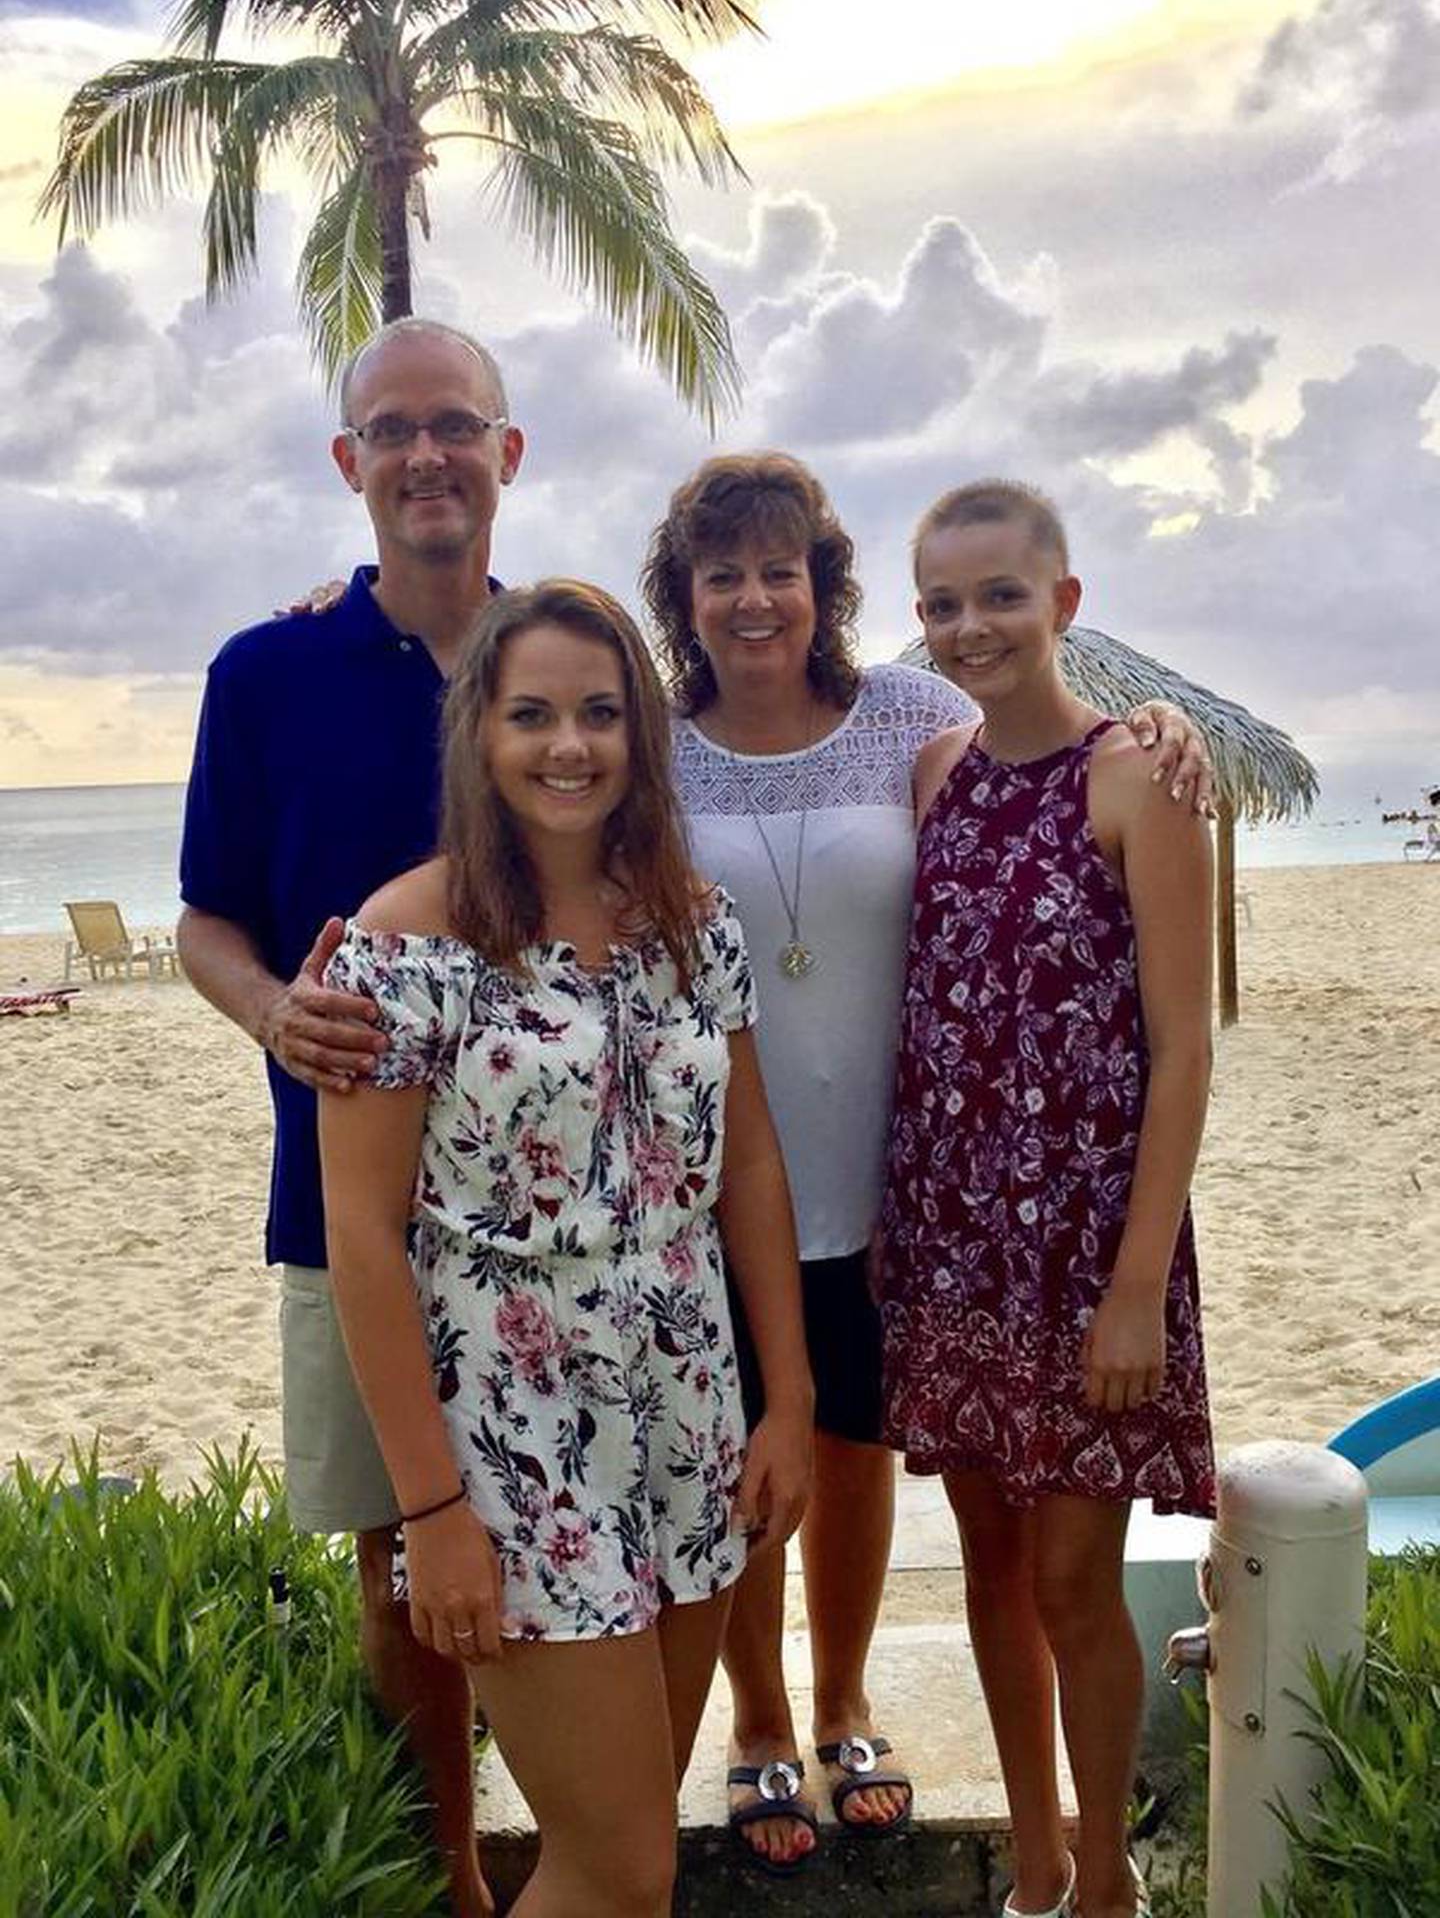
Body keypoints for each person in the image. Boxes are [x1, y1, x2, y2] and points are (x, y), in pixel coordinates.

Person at [639, 453, 1215, 1873]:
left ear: (828, 588)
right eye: (725, 573)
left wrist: (1165, 719)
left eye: (784, 569)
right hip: (757, 1190)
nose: (757, 597)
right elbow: (525, 804)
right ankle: (762, 1726)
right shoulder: (652, 743)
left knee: (856, 1463)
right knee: (752, 1470)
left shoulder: (914, 717)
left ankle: (848, 1711)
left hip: (944, 1207)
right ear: (687, 597)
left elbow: (1057, 758)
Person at [317, 580, 812, 1918]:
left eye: (599, 713)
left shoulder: (692, 921)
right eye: (531, 713)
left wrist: (792, 1399)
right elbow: (362, 1238)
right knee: (617, 1872)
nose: (568, 745)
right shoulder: (402, 945)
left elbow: (750, 1165)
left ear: (639, 736)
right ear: (479, 733)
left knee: (634, 1843)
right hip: (515, 1449)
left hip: (694, 1413)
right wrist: (432, 1514)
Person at [177, 317, 523, 1916]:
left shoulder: (572, 662)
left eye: (457, 424)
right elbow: (208, 921)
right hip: (348, 1205)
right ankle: (451, 1876)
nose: (427, 454)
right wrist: (269, 1009)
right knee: (398, 1556)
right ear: (350, 464)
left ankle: (599, 1842)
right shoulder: (264, 672)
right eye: (393, 430)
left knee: (589, 1524)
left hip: (564, 1208)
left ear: (508, 453)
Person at [878, 481, 1217, 1918]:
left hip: (1089, 1252)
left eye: (1002, 596)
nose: (972, 627)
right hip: (952, 1241)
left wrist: (1139, 1282)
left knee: (1077, 1585)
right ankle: (1033, 1867)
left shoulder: (1137, 775)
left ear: (1063, 604)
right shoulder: (932, 770)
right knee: (993, 1575)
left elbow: (1185, 1045)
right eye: (944, 604)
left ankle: (1108, 1887)